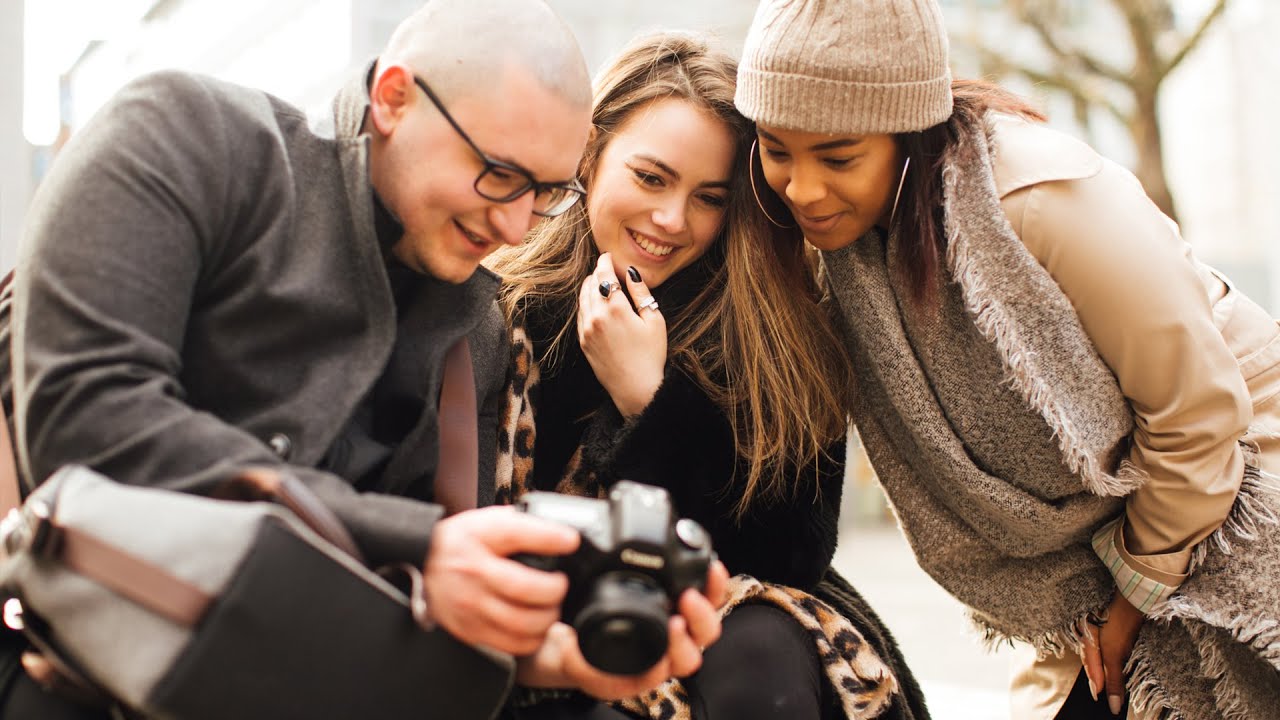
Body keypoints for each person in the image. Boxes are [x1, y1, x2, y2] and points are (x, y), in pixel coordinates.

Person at [0, 1, 728, 717]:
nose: (514, 226)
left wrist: (541, 657)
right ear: (393, 98)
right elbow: (87, 418)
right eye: (499, 173)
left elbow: (409, 601)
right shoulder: (186, 137)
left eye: (544, 193)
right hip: (58, 666)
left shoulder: (478, 334)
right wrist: (419, 543)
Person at [731, 0, 1280, 718]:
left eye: (838, 157)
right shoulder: (839, 249)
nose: (802, 189)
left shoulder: (1040, 198)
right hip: (1101, 555)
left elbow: (1197, 413)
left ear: (908, 132)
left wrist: (1133, 598)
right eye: (776, 150)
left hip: (1232, 484)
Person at [487, 32, 929, 720]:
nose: (672, 220)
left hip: (734, 634)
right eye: (651, 178)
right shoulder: (501, 307)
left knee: (759, 648)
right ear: (590, 154)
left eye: (709, 197)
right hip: (539, 616)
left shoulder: (773, 330)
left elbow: (790, 554)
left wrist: (649, 402)